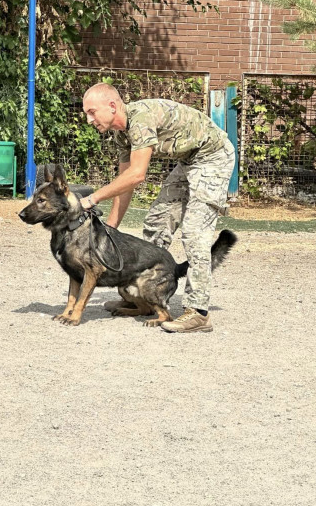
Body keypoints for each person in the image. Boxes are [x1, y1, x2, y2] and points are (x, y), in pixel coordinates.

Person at [79, 83, 235, 333]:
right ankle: (146, 296)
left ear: (111, 106)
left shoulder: (140, 119)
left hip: (212, 157)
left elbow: (137, 175)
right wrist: (109, 229)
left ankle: (197, 312)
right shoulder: (122, 134)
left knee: (195, 232)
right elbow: (124, 185)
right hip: (189, 160)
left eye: (91, 112)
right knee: (156, 224)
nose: (89, 119)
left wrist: (92, 199)